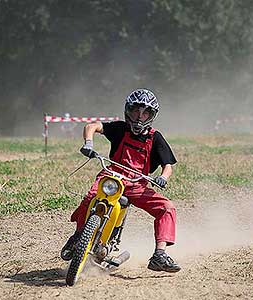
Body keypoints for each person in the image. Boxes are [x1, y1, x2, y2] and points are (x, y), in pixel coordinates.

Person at [61, 88, 181, 273]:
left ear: (152, 115)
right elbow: (91, 126)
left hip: (137, 184)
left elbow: (168, 165)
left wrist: (163, 178)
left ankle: (159, 254)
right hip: (111, 176)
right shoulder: (119, 128)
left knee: (167, 208)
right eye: (135, 111)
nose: (139, 117)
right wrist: (89, 143)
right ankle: (78, 236)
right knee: (90, 198)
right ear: (127, 110)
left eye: (145, 112)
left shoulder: (155, 138)